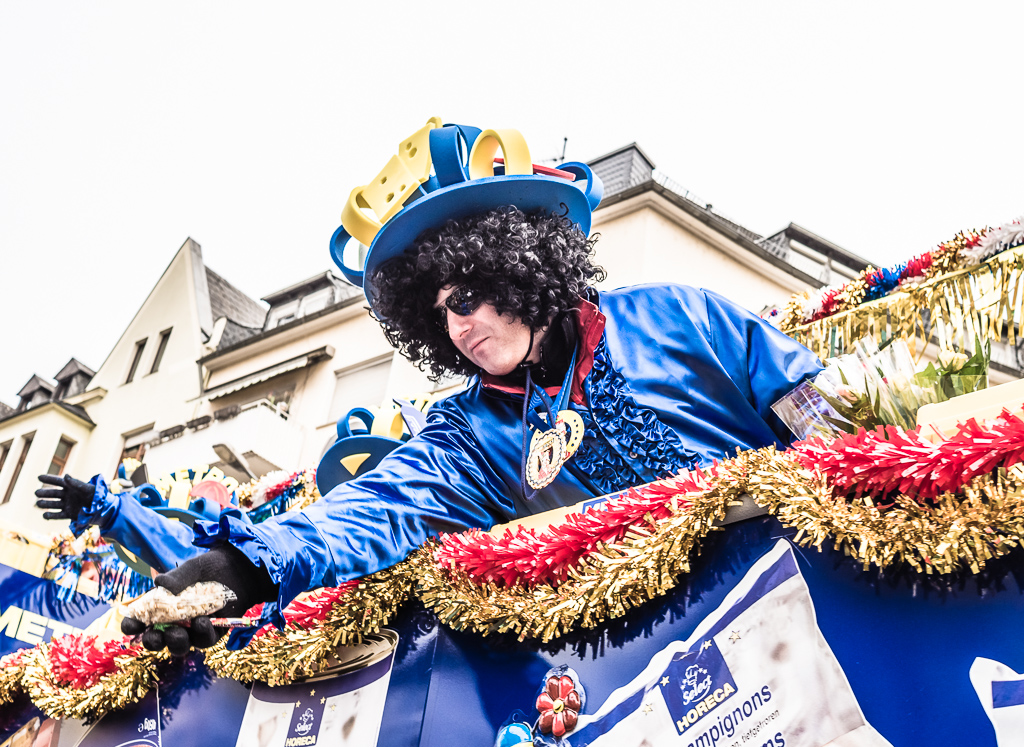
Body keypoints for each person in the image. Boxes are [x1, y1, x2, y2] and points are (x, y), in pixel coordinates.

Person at [38, 120, 822, 654]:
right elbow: (370, 510)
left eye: (470, 293)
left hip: (818, 599)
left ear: (523, 264)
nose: (458, 324)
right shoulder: (467, 435)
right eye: (439, 309)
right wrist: (236, 570)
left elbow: (825, 421)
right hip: (651, 663)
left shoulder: (678, 316)